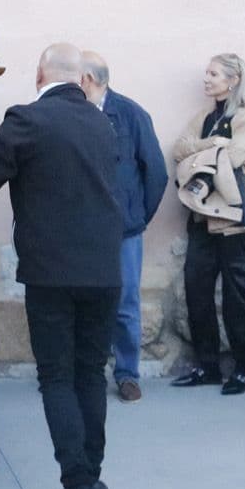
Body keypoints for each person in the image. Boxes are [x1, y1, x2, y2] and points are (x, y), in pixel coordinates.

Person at [0, 43, 122, 489]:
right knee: (90, 374)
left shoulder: (28, 119)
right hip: (105, 270)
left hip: (52, 272)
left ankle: (77, 486)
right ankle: (93, 477)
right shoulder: (104, 122)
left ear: (40, 74)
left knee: (57, 377)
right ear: (83, 80)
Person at [169, 54, 245, 394]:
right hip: (201, 216)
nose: (206, 79)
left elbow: (235, 156)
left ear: (233, 79)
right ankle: (207, 366)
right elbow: (179, 149)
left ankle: (242, 369)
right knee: (197, 292)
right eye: (206, 73)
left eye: (213, 74)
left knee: (238, 296)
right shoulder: (205, 117)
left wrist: (201, 156)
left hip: (236, 219)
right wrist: (211, 144)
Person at [78, 51, 167, 403]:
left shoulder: (130, 114)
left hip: (123, 230)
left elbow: (156, 171)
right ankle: (84, 371)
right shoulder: (75, 115)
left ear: (87, 79)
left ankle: (128, 373)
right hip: (82, 227)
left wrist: (137, 216)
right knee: (84, 299)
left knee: (125, 302)